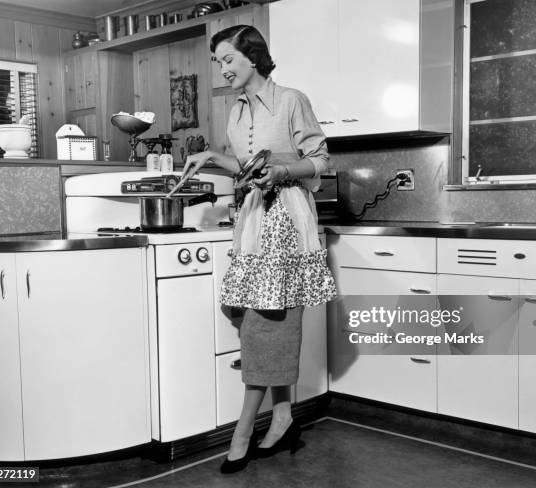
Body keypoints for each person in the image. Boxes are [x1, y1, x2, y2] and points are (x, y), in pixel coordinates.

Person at [182, 24, 337, 474]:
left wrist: (283, 174)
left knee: (267, 324)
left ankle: (244, 430)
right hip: (251, 222)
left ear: (253, 57)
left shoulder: (291, 99)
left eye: (228, 60)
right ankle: (285, 415)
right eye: (218, 62)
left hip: (285, 223)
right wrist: (212, 157)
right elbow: (247, 167)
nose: (223, 69)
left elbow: (321, 160)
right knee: (263, 319)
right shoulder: (235, 113)